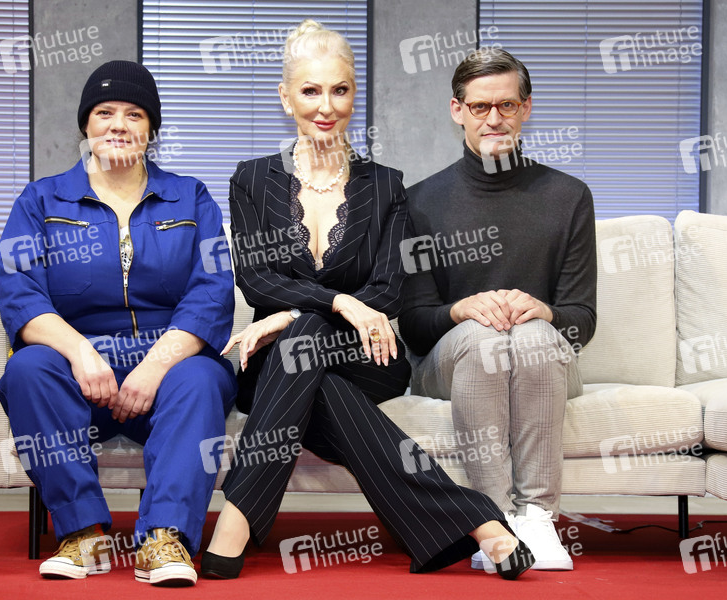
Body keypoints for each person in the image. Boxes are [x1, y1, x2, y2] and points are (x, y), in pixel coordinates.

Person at [201, 20, 533, 580]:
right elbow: (256, 280)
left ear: (355, 95)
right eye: (310, 90)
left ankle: (235, 520)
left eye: (340, 90)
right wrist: (337, 304)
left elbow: (387, 291)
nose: (326, 106)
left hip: (367, 355)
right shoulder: (251, 180)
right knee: (312, 365)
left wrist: (296, 314)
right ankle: (479, 521)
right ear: (285, 98)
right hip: (277, 364)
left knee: (301, 336)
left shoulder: (385, 185)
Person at [0, 60, 237, 586]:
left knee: (202, 377)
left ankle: (164, 538)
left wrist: (154, 366)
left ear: (151, 129)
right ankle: (83, 534)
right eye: (105, 112)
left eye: (134, 114)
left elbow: (212, 293)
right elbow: (19, 292)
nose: (118, 125)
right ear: (86, 123)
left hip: (168, 371)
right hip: (78, 379)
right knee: (28, 369)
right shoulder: (40, 200)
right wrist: (82, 353)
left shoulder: (190, 197)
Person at [399, 49, 596, 572]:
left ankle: (537, 517)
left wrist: (545, 311)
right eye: (480, 106)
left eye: (507, 105)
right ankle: (493, 523)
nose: (494, 118)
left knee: (530, 336)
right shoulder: (418, 202)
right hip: (450, 360)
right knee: (485, 340)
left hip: (542, 356)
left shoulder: (570, 196)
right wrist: (461, 310)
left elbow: (583, 318)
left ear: (525, 108)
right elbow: (414, 326)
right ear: (457, 110)